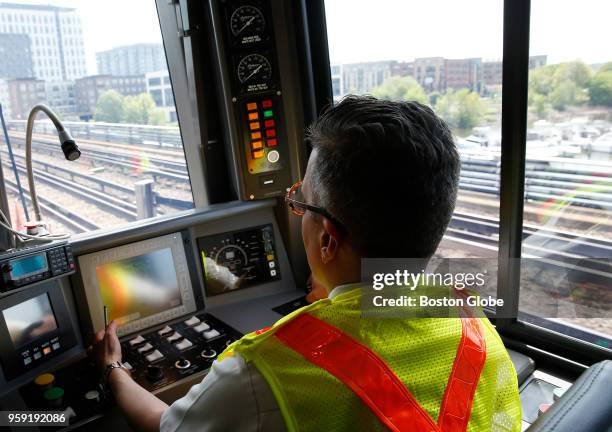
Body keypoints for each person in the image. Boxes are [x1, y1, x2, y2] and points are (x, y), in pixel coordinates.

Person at [93, 96, 522, 431]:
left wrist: (115, 369)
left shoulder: (261, 369)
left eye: (302, 203)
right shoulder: (472, 321)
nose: (298, 210)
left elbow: (167, 427)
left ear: (328, 239)